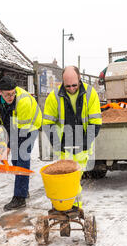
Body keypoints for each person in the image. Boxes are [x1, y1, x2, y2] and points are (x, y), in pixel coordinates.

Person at [42, 66, 102, 209]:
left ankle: (74, 206)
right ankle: (63, 204)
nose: (71, 88)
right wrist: (57, 143)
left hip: (82, 142)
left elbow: (96, 121)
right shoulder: (54, 96)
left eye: (74, 85)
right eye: (67, 86)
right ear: (62, 82)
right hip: (63, 144)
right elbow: (47, 123)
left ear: (79, 79)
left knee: (74, 177)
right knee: (64, 177)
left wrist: (87, 142)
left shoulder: (90, 93)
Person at [0, 76, 42, 211]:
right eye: (7, 94)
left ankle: (20, 198)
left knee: (22, 155)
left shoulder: (23, 101)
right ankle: (23, 187)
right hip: (12, 125)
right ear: (0, 92)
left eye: (13, 93)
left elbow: (21, 135)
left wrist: (8, 149)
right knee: (16, 160)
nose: (11, 96)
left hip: (29, 126)